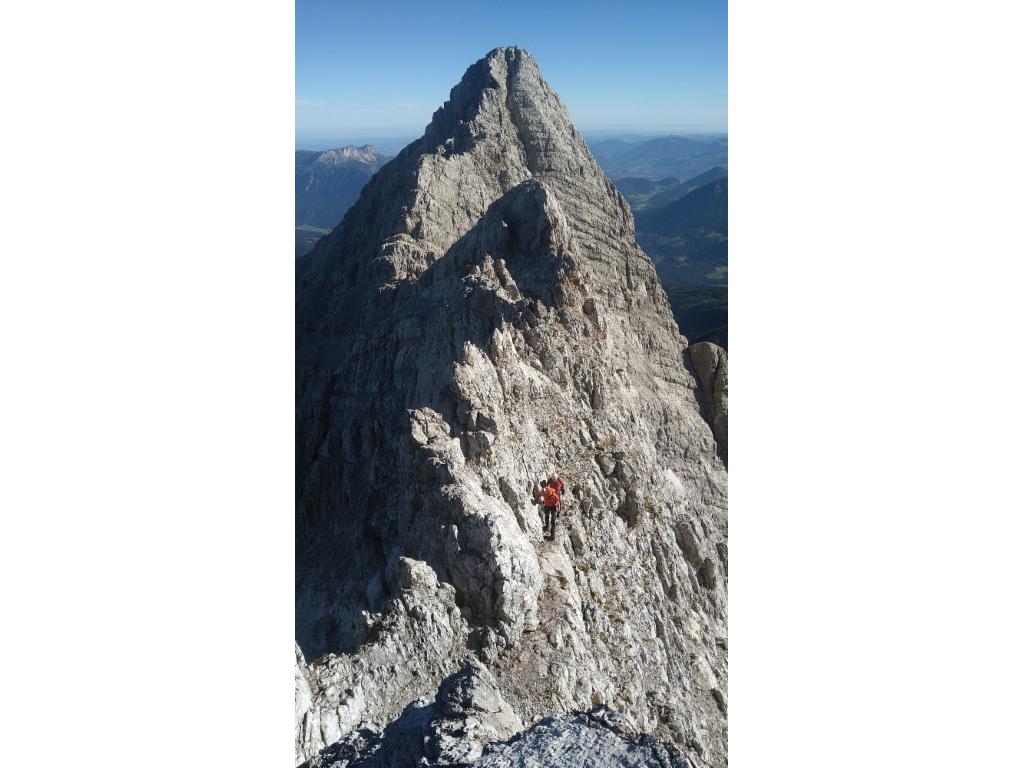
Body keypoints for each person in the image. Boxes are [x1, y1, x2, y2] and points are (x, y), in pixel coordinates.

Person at [537, 474, 565, 540]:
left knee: (553, 520)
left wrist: (563, 493)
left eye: (554, 479)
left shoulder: (560, 481)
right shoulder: (550, 481)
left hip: (556, 493)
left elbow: (558, 503)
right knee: (547, 515)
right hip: (551, 496)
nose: (553, 480)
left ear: (556, 478)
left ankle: (558, 514)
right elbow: (546, 486)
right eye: (552, 479)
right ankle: (547, 526)